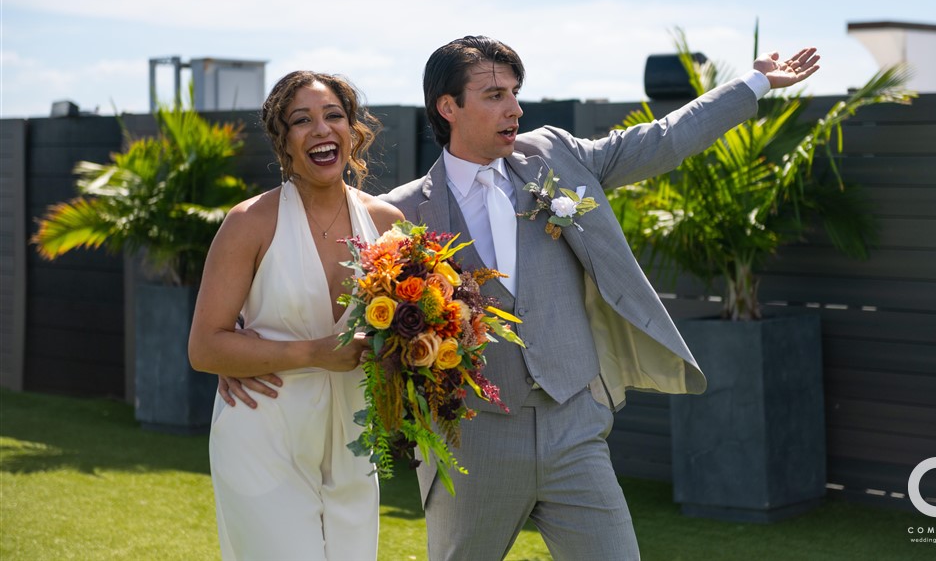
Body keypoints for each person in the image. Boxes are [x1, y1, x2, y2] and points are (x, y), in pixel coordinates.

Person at [223, 36, 819, 560]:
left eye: (514, 91)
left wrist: (755, 82)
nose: (514, 107)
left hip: (574, 425)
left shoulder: (556, 156)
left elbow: (663, 140)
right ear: (448, 107)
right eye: (494, 94)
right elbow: (335, 300)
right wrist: (245, 349)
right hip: (471, 443)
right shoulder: (399, 214)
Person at [188, 70, 403, 561]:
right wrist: (311, 353)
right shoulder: (249, 223)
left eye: (333, 116)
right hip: (264, 437)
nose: (321, 130)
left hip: (355, 443)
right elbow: (204, 347)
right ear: (283, 141)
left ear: (353, 129)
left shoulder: (389, 225)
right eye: (301, 120)